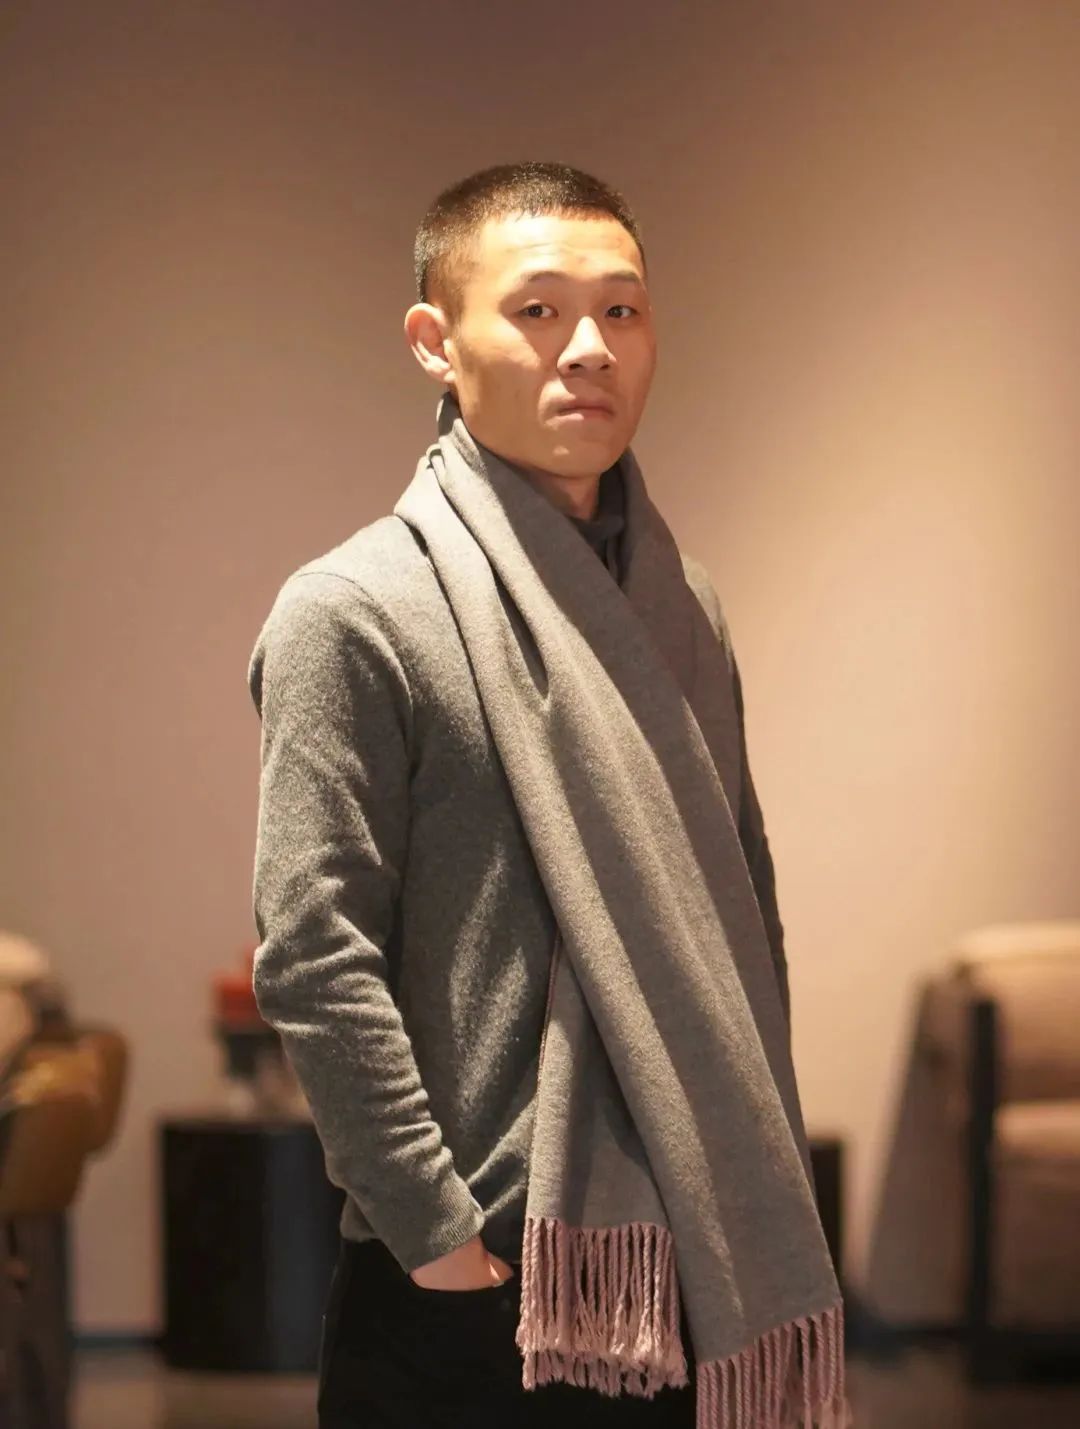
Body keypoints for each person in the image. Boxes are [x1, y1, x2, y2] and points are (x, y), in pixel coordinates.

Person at [247, 162, 802, 1429]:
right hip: (476, 1279)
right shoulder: (355, 609)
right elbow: (314, 955)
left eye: (622, 311)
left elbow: (746, 907)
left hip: (694, 1263)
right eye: (538, 310)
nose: (589, 348)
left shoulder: (683, 606)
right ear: (434, 341)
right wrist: (438, 1240)